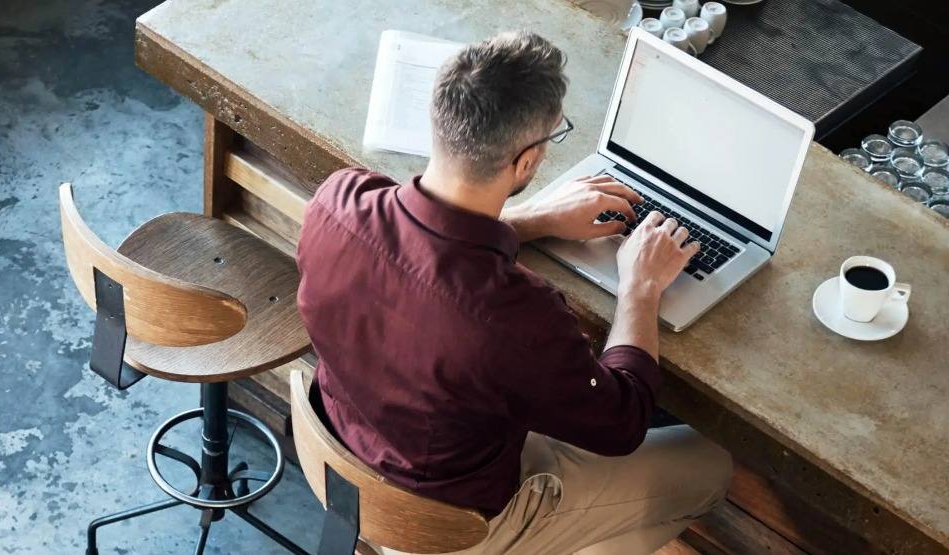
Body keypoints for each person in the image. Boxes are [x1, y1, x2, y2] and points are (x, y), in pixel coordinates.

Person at [295, 31, 732, 554]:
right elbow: (624, 423)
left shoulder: (338, 200)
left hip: (342, 451)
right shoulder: (517, 318)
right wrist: (640, 287)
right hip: (448, 526)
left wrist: (534, 219)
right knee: (710, 464)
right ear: (526, 163)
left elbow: (430, 251)